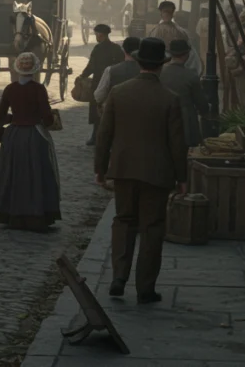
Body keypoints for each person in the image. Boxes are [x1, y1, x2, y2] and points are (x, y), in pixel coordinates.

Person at [95, 37, 186, 305]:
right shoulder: (170, 99)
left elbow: (104, 135)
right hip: (157, 174)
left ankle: (118, 278)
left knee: (123, 221)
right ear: (161, 66)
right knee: (152, 227)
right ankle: (145, 287)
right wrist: (182, 177)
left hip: (123, 170)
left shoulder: (118, 92)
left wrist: (100, 169)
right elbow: (177, 144)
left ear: (138, 62)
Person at [0, 52, 61, 231]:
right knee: (36, 173)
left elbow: (0, 115)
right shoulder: (39, 89)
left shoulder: (10, 88)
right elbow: (47, 117)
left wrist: (14, 119)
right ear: (35, 69)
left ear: (17, 69)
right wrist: (42, 121)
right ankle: (36, 213)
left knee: (13, 173)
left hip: (14, 136)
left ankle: (12, 213)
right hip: (33, 135)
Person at [80, 24, 124, 146]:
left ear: (101, 34)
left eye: (97, 34)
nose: (96, 37)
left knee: (97, 110)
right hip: (113, 82)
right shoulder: (117, 49)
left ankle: (95, 136)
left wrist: (82, 76)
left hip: (99, 82)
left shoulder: (98, 49)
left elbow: (91, 66)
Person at [160, 39, 208, 148]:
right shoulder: (191, 76)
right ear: (186, 55)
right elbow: (201, 104)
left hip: (163, 120)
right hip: (186, 123)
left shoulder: (160, 73)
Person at [149, 1, 201, 76]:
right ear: (161, 13)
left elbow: (191, 53)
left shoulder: (181, 31)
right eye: (165, 12)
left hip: (178, 65)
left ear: (173, 13)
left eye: (170, 12)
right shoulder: (155, 31)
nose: (167, 14)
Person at [94, 37, 142, 107]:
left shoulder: (110, 70)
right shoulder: (147, 70)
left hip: (117, 113)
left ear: (123, 50)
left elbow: (98, 96)